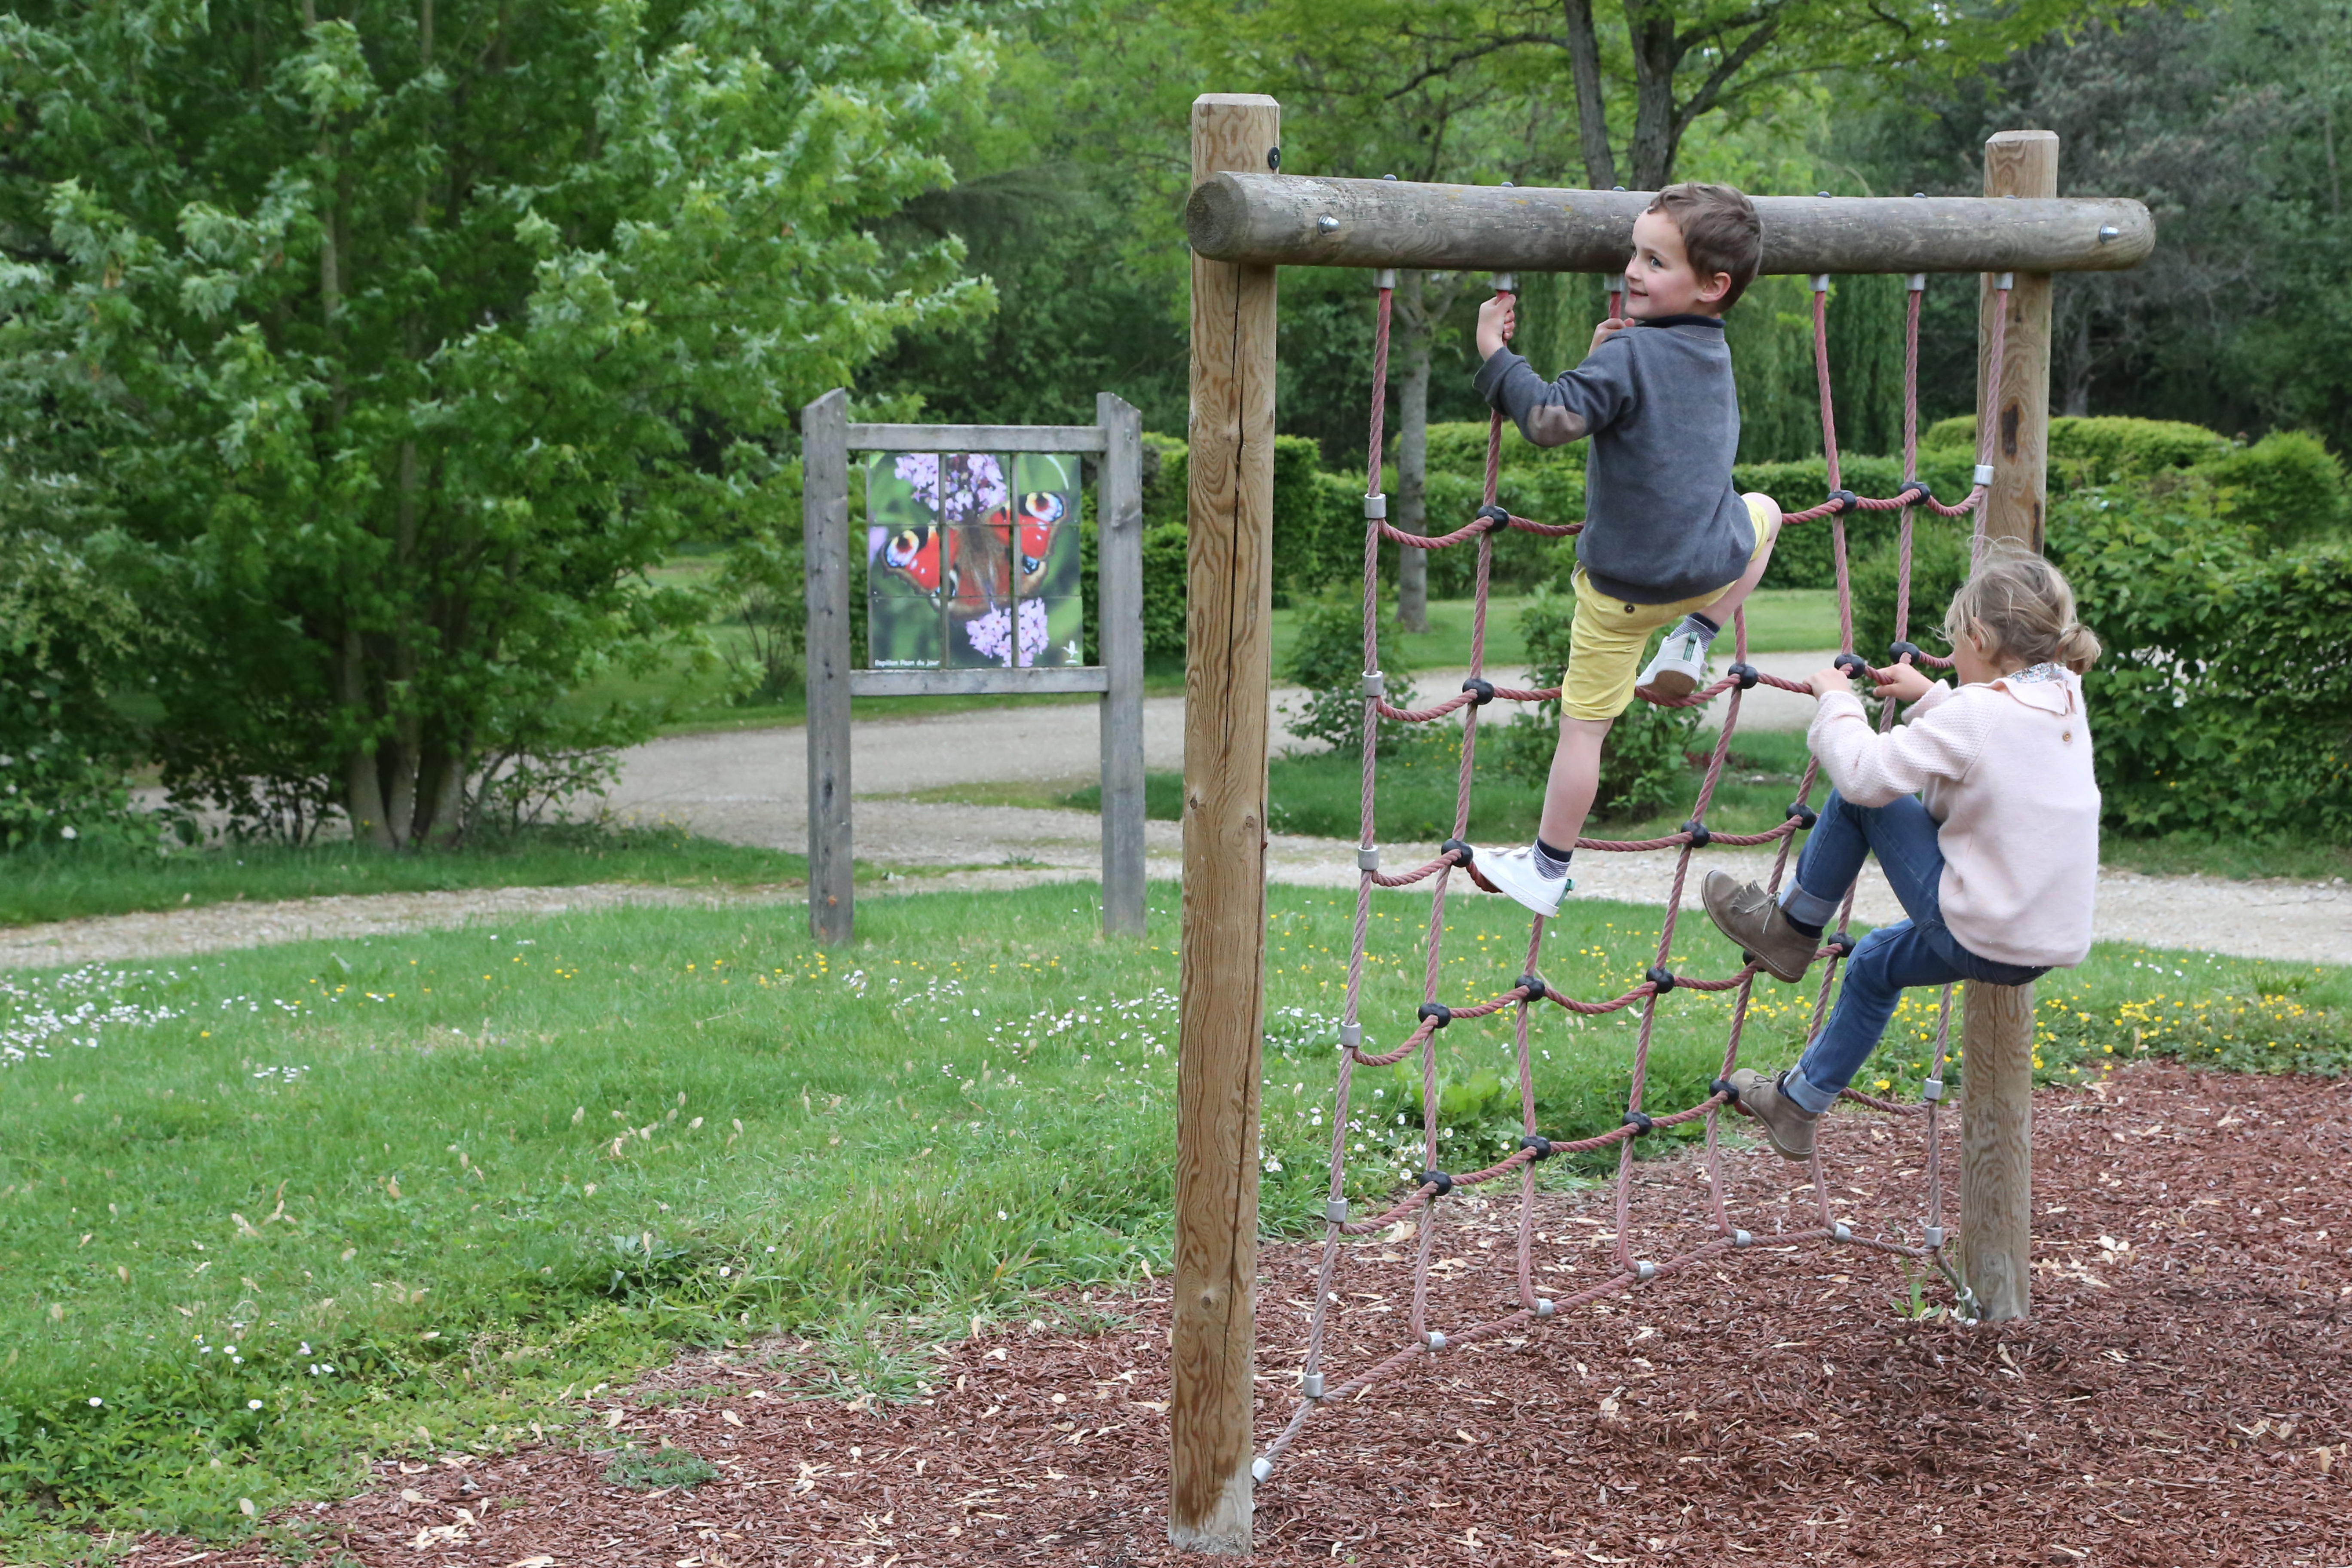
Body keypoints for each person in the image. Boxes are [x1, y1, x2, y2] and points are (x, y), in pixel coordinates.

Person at [1706, 548, 2104, 1160]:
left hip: (1976, 930)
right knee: (1870, 963)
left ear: (1978, 636)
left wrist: (1837, 700)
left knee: (1862, 799)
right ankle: (1798, 1103)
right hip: (2031, 950)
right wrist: (1932, 696)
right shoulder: (2064, 698)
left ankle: (1790, 928)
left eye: (1955, 644)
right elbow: (1997, 742)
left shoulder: (1983, 711)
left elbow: (1868, 775)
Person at [1461, 182, 1782, 918]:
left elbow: (1549, 419)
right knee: (1764, 510)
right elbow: (1638, 407)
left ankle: (1547, 868)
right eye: (1634, 254)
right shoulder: (1712, 347)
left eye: (1654, 261)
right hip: (1708, 568)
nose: (1632, 272)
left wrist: (1493, 353)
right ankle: (1696, 639)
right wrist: (1605, 358)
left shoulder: (1631, 355)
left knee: (1585, 730)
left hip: (1620, 592)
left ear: (1712, 284)